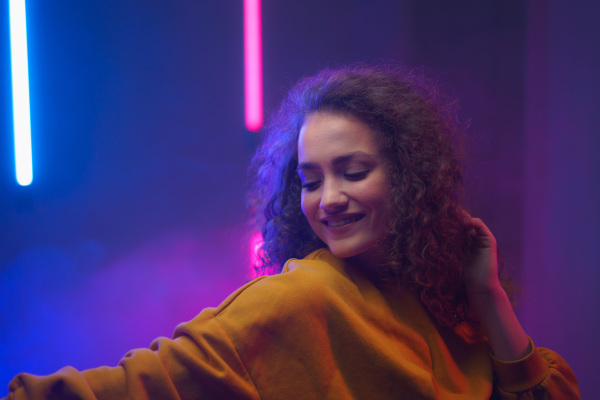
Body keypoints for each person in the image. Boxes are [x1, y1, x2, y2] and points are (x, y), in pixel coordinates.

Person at [3, 63, 580, 399]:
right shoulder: (299, 299)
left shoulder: (442, 296)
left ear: (411, 176)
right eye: (309, 180)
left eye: (353, 172)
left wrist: (488, 296)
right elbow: (133, 387)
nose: (327, 200)